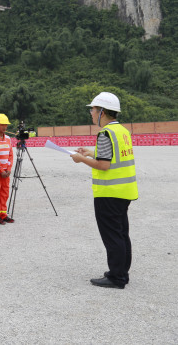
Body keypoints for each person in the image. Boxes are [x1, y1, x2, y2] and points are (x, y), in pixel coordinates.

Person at [71, 92, 137, 289]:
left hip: (109, 192)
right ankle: (122, 273)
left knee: (112, 236)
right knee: (121, 233)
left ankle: (116, 278)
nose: (91, 113)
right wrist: (91, 152)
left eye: (93, 109)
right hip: (124, 191)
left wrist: (81, 159)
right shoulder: (122, 131)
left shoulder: (105, 133)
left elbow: (104, 165)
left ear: (102, 112)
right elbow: (112, 157)